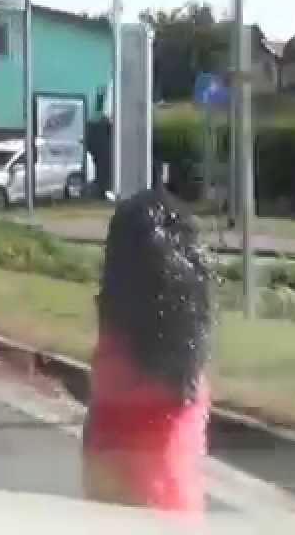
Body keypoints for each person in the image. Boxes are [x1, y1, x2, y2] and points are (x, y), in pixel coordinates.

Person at [82, 188, 214, 517]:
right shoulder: (189, 345)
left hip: (113, 508)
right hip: (178, 508)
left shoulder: (116, 344)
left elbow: (98, 434)